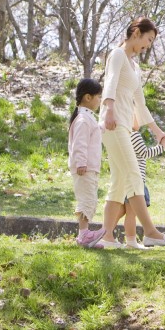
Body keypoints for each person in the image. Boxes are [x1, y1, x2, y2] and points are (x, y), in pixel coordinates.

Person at [98, 17, 165, 249]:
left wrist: (157, 131)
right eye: (148, 39)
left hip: (124, 124)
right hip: (113, 124)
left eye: (152, 41)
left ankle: (107, 238)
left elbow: (140, 104)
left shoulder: (135, 66)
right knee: (134, 174)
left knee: (119, 181)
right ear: (136, 32)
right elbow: (110, 82)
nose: (148, 45)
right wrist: (109, 110)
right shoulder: (117, 55)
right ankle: (151, 232)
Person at [68, 78, 106, 249]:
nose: (100, 100)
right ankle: (84, 234)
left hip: (90, 168)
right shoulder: (83, 119)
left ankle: (85, 235)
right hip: (85, 168)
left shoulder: (87, 118)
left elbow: (94, 133)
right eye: (98, 97)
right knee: (87, 200)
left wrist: (104, 126)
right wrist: (81, 163)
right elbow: (80, 143)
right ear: (88, 97)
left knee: (90, 199)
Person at [122, 122, 165, 250]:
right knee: (131, 213)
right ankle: (131, 241)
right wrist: (162, 146)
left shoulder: (124, 135)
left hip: (130, 179)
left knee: (127, 212)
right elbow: (145, 153)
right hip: (136, 180)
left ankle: (111, 235)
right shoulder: (134, 134)